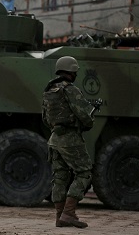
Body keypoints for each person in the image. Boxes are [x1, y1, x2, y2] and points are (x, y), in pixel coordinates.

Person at [42, 56, 95, 229]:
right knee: (84, 172)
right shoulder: (70, 90)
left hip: (54, 139)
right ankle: (69, 213)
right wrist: (87, 121)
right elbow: (85, 117)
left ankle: (59, 217)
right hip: (70, 140)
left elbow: (45, 118)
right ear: (72, 71)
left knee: (59, 177)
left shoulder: (49, 90)